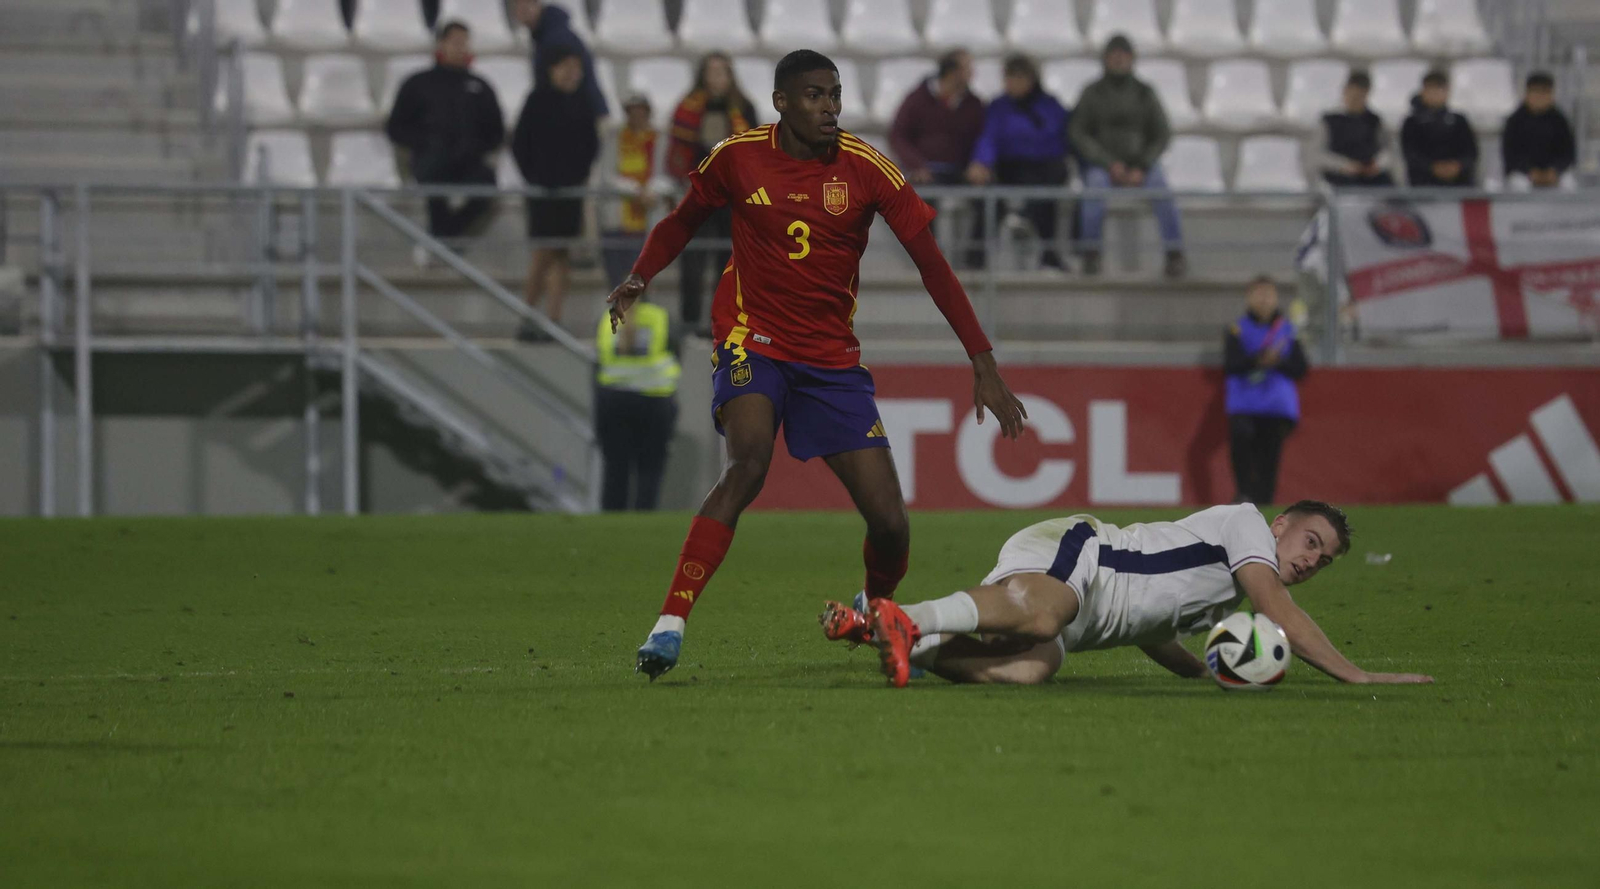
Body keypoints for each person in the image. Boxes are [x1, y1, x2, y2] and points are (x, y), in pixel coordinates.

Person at [608, 50, 1028, 680]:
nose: (829, 106)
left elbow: (933, 266)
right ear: (781, 101)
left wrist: (982, 359)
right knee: (749, 462)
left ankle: (873, 606)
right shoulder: (738, 155)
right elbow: (682, 220)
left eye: (834, 94)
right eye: (814, 95)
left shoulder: (867, 169)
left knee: (890, 524)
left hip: (830, 359)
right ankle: (670, 621)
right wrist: (641, 275)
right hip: (753, 339)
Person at [821, 501, 1434, 688]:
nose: (1310, 560)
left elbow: (1150, 627)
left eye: (1321, 560)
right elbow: (1278, 611)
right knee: (1043, 616)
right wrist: (1357, 675)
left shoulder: (1221, 598)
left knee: (1029, 667)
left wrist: (1200, 672)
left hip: (1084, 614)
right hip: (1082, 553)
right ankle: (907, 616)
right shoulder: (1246, 526)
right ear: (1281, 525)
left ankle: (893, 635)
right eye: (1309, 541)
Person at [1070, 34, 1186, 278]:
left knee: (1162, 190)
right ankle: (1091, 253)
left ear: (1132, 59)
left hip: (1140, 165)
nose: (1119, 60)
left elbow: (1162, 133)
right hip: (1103, 165)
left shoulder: (1145, 93)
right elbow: (1078, 132)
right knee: (1093, 189)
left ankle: (1175, 254)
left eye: (1124, 55)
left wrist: (1141, 166)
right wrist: (1107, 163)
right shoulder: (1092, 93)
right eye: (1114, 55)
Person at [384, 21, 504, 243]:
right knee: (434, 185)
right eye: (456, 42)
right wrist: (424, 143)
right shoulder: (418, 83)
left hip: (469, 161)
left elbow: (496, 131)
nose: (462, 47)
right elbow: (396, 127)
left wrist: (476, 146)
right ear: (441, 44)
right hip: (430, 159)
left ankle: (445, 240)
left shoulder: (480, 85)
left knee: (486, 189)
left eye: (465, 42)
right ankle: (444, 243)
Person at [667, 53, 761, 336]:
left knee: (728, 263)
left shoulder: (744, 109)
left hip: (732, 197)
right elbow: (677, 153)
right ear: (703, 75)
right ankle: (690, 321)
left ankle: (723, 321)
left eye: (723, 72)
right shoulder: (687, 109)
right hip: (697, 194)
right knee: (693, 261)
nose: (718, 78)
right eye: (713, 72)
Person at [511, 44, 599, 340]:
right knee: (543, 252)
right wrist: (534, 178)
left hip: (570, 191)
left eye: (576, 68)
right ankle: (526, 314)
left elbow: (591, 146)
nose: (572, 73)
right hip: (542, 192)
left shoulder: (583, 102)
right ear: (552, 69)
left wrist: (578, 176)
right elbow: (520, 143)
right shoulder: (536, 100)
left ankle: (554, 318)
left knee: (562, 255)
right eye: (566, 67)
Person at [966, 54, 1073, 271]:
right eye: (1008, 78)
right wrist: (981, 161)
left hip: (1045, 167)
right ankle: (976, 258)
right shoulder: (998, 107)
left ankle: (1049, 254)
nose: (1011, 84)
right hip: (1011, 167)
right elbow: (989, 137)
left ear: (1030, 79)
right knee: (987, 196)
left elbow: (1060, 139)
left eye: (1017, 78)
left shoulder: (1050, 106)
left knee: (1048, 194)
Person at [888, 49, 987, 267]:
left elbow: (983, 137)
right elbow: (898, 135)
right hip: (926, 171)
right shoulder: (917, 99)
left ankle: (975, 261)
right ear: (952, 72)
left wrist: (980, 162)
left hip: (960, 170)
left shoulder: (973, 104)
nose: (973, 74)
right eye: (968, 69)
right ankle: (928, 263)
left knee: (987, 198)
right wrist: (916, 165)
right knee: (921, 201)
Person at [1224, 276, 1308, 505]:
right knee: (1242, 440)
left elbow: (1300, 368)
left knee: (1269, 454)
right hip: (1244, 403)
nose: (1263, 300)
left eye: (1268, 294)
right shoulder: (1237, 329)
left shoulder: (1288, 330)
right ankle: (1244, 494)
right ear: (1248, 298)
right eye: (1258, 294)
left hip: (1276, 406)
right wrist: (1260, 360)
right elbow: (1231, 364)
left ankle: (1264, 501)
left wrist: (1278, 362)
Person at [595, 294, 681, 512]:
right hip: (654, 401)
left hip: (613, 401)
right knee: (650, 471)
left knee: (615, 471)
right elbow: (676, 357)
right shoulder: (661, 317)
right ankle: (643, 527)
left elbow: (598, 364)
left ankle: (611, 531)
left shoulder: (607, 319)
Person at [599, 94, 665, 289]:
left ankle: (640, 315)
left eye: (641, 110)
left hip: (647, 217)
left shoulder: (658, 139)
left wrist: (650, 191)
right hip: (617, 218)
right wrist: (637, 190)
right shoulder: (615, 138)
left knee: (642, 275)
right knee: (615, 276)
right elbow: (607, 175)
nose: (637, 115)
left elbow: (666, 173)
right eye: (632, 111)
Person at [513, 0, 608, 118]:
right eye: (518, 7)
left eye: (526, 6)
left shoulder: (557, 38)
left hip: (575, 115)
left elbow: (570, 82)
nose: (522, 11)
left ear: (538, 5)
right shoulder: (545, 36)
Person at [1316, 71, 1395, 188]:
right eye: (1352, 95)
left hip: (1371, 176)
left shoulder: (1374, 120)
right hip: (1339, 176)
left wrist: (1377, 164)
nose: (1355, 100)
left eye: (1360, 96)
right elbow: (1318, 154)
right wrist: (1343, 165)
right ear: (1345, 91)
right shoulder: (1329, 120)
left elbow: (1387, 150)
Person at [1401, 70, 1478, 188]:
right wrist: (1432, 167)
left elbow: (1471, 152)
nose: (1435, 94)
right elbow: (1410, 154)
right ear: (1423, 91)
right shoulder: (1411, 123)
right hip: (1423, 185)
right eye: (1431, 90)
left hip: (1459, 185)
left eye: (1439, 90)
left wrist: (1457, 166)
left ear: (1447, 92)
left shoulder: (1459, 121)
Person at [1502, 71, 1578, 192]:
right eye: (1536, 91)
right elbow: (1510, 156)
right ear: (1527, 93)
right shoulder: (1514, 121)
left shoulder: (1560, 120)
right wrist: (1530, 171)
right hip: (1524, 173)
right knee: (1519, 185)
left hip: (1554, 173)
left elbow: (1568, 154)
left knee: (1569, 184)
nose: (1540, 96)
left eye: (1545, 92)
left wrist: (1555, 170)